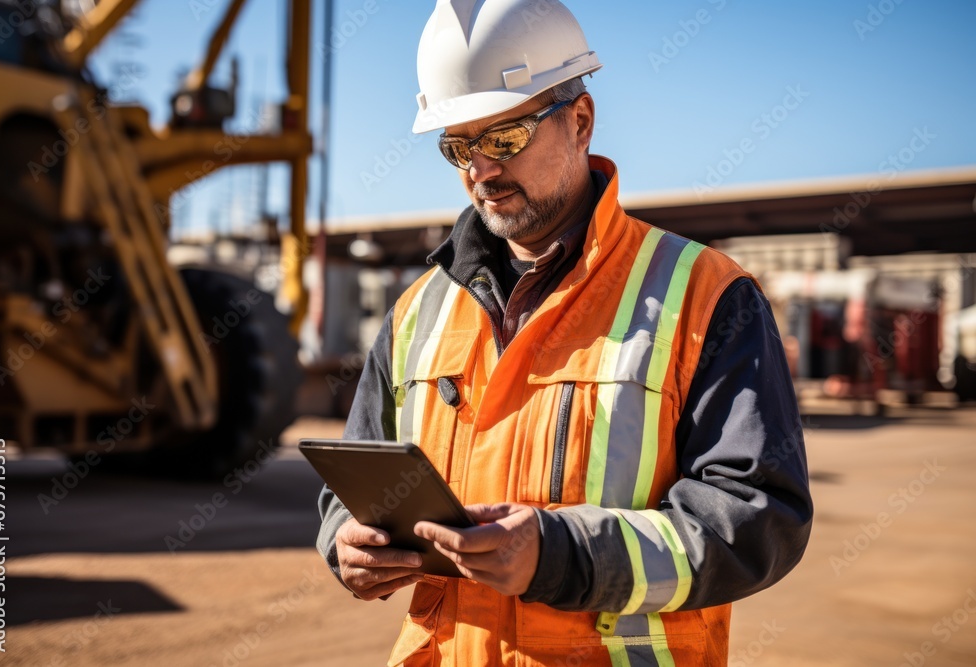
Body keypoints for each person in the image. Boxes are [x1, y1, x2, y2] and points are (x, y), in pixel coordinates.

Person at [318, 1, 813, 665]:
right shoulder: (416, 312)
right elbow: (351, 481)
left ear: (580, 121)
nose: (480, 171)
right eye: (458, 147)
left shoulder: (706, 297)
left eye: (504, 139)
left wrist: (562, 553)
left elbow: (759, 519)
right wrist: (345, 540)